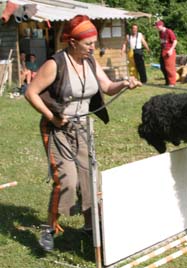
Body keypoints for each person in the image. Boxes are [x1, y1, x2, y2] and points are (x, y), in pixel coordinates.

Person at [25, 15, 142, 251]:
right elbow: (30, 92)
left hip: (82, 127)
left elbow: (107, 87)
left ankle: (90, 227)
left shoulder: (89, 61)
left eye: (94, 42)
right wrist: (53, 118)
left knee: (90, 178)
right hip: (57, 128)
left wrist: (125, 83)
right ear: (72, 42)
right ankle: (50, 229)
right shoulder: (55, 64)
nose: (93, 47)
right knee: (67, 180)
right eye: (88, 43)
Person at [155, 20, 177, 87]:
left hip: (169, 51)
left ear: (161, 25)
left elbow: (175, 41)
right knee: (163, 67)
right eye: (156, 27)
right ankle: (167, 82)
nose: (157, 28)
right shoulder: (160, 32)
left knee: (170, 67)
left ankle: (172, 83)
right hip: (163, 50)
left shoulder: (169, 31)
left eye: (157, 26)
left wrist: (171, 50)